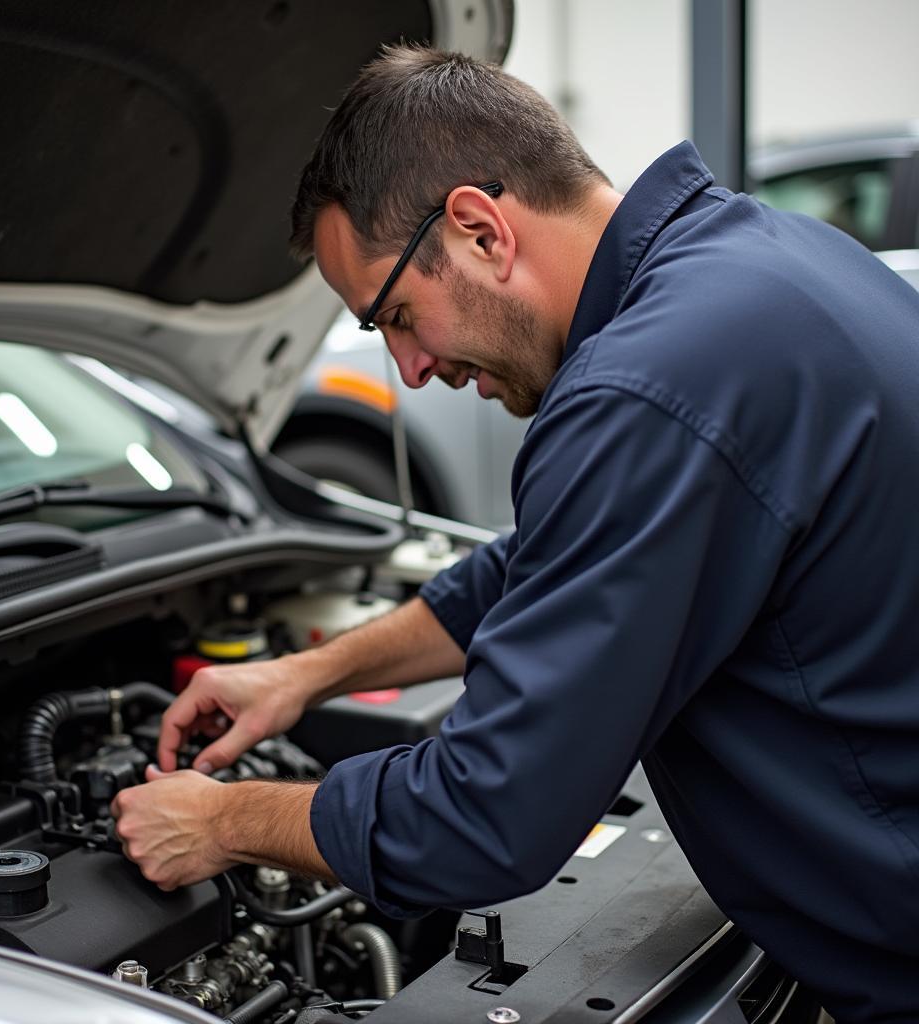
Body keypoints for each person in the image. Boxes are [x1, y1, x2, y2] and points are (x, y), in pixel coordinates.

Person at [111, 46, 919, 1020]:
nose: (408, 371)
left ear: (479, 229)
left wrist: (225, 820)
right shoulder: (766, 260)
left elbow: (489, 817)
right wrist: (304, 675)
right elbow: (555, 562)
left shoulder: (641, 388)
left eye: (398, 316)